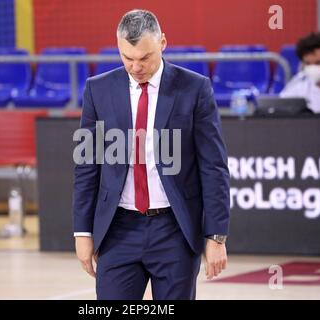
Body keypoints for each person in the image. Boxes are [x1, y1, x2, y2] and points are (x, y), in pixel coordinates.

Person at [73, 9, 230, 300]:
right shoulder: (97, 90)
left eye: (144, 58)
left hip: (175, 230)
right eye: (127, 58)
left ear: (163, 43)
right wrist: (82, 232)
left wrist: (216, 236)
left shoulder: (195, 89)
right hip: (117, 230)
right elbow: (87, 165)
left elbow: (214, 167)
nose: (135, 67)